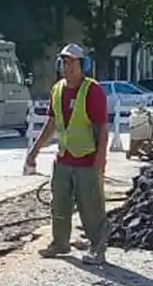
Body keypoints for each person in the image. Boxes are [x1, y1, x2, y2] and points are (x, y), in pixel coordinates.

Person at [25, 43, 109, 265]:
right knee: (59, 204)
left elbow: (102, 127)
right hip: (63, 159)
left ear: (83, 65)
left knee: (91, 207)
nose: (68, 66)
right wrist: (35, 149)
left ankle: (97, 248)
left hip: (87, 159)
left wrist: (100, 160)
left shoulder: (92, 91)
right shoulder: (57, 89)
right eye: (65, 62)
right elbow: (51, 123)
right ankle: (60, 242)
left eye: (73, 62)